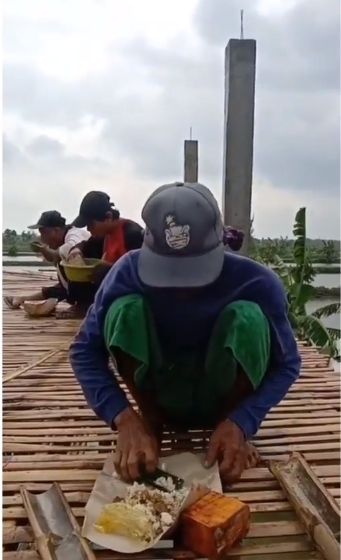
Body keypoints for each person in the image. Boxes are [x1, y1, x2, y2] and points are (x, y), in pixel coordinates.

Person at [70, 182, 301, 484]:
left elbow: (288, 364)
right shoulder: (126, 273)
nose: (183, 288)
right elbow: (84, 351)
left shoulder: (257, 282)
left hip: (223, 399)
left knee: (248, 318)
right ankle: (148, 425)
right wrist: (124, 419)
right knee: (125, 310)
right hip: (158, 396)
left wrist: (242, 421)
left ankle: (228, 432)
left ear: (221, 243)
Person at [3, 210, 92, 315]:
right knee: (62, 279)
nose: (42, 238)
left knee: (71, 263)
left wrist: (43, 249)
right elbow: (63, 286)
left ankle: (83, 305)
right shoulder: (64, 239)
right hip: (74, 285)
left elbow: (56, 255)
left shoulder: (73, 238)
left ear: (56, 230)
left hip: (92, 286)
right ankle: (22, 298)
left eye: (44, 233)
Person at [72, 191, 144, 283]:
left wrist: (110, 271)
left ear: (108, 217)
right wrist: (76, 250)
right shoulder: (104, 234)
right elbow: (86, 245)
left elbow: (142, 275)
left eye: (91, 225)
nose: (89, 229)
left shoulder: (132, 235)